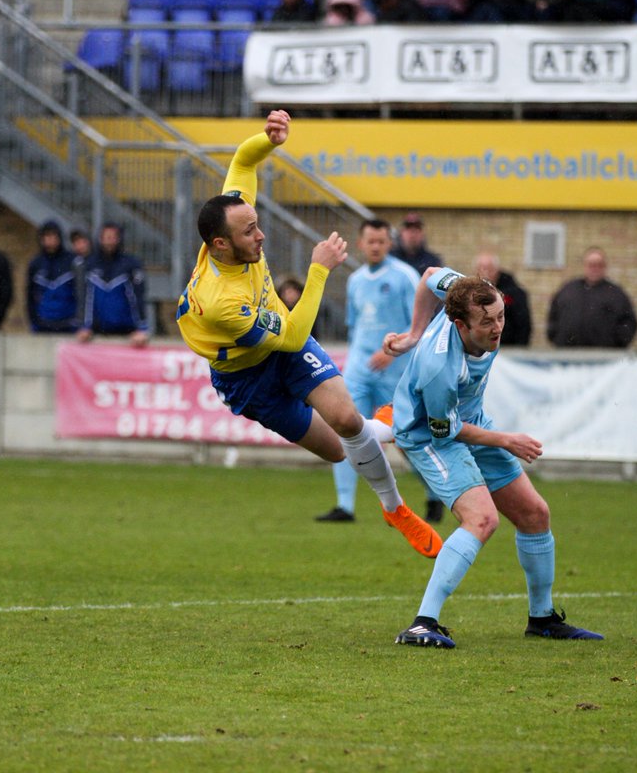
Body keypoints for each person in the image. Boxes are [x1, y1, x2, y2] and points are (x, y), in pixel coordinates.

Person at [175, 109, 441, 559]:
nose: (260, 236)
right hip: (247, 377)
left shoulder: (233, 222)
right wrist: (318, 270)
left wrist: (268, 140)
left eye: (257, 223)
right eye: (249, 231)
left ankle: (395, 509)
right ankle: (386, 426)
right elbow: (295, 335)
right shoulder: (220, 300)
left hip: (283, 348)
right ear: (219, 244)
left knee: (346, 421)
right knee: (338, 450)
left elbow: (242, 162)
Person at [383, 267, 603, 648]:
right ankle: (423, 623)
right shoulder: (440, 368)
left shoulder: (468, 291)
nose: (497, 327)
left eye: (501, 315)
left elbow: (430, 274)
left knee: (535, 514)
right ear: (460, 325)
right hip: (428, 436)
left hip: (471, 422)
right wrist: (506, 440)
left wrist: (413, 332)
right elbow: (446, 431)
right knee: (481, 519)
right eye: (486, 322)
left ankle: (543, 618)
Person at [316, 219, 447, 525]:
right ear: (360, 244)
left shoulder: (404, 276)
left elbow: (421, 321)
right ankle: (345, 506)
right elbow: (356, 325)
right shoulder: (356, 280)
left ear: (390, 244)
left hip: (395, 373)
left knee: (403, 439)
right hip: (359, 371)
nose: (375, 247)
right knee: (345, 433)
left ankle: (434, 495)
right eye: (370, 241)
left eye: (381, 241)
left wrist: (394, 349)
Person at [546, 246, 637, 348]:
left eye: (599, 265)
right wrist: (555, 337)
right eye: (591, 265)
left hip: (604, 357)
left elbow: (629, 322)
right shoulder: (568, 289)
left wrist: (618, 343)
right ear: (584, 266)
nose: (595, 268)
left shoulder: (616, 294)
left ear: (605, 267)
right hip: (568, 355)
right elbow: (553, 316)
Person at [76, 223, 149, 346]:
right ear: (100, 239)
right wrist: (84, 326)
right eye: (106, 237)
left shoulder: (131, 264)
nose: (109, 241)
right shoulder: (89, 264)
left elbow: (138, 297)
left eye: (113, 237)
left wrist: (142, 328)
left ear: (119, 239)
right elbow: (84, 298)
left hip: (128, 333)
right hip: (96, 333)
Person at [27, 220, 80, 333]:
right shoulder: (36, 263)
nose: (51, 239)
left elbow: (81, 293)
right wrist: (34, 321)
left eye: (54, 235)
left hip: (69, 324)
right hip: (43, 324)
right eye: (47, 236)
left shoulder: (73, 261)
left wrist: (78, 321)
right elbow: (30, 295)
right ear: (41, 239)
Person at [474, 252, 532, 346]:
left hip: (507, 346)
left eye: (489, 269)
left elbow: (523, 324)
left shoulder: (514, 293)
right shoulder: (473, 292)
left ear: (496, 270)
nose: (485, 273)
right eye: (481, 268)